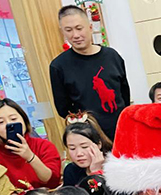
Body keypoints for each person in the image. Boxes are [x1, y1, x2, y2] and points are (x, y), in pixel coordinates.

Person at [50, 5, 130, 140]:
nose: (75, 35)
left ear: (90, 28)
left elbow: (124, 94)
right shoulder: (58, 66)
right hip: (89, 138)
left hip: (123, 132)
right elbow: (63, 109)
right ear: (63, 32)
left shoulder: (112, 56)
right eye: (68, 30)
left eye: (79, 28)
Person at [0, 99, 61, 189]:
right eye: (0, 122)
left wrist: (30, 157)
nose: (9, 124)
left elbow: (52, 181)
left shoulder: (44, 146)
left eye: (13, 119)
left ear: (24, 119)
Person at [61, 112, 112, 187]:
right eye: (72, 148)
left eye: (84, 147)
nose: (79, 153)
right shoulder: (71, 170)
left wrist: (96, 172)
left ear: (99, 144)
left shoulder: (114, 167)